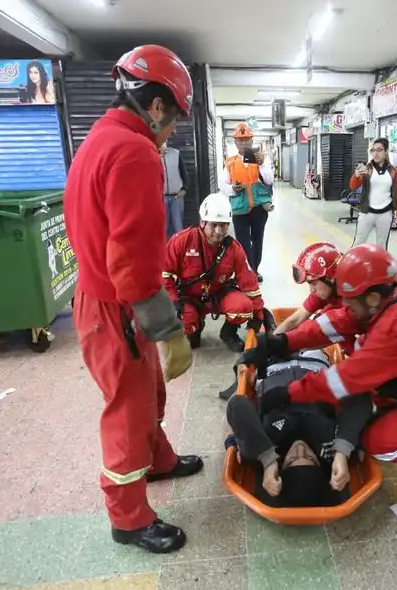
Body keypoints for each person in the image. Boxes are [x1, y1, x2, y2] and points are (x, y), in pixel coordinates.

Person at [63, 45, 202, 555]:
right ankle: (129, 518)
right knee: (127, 409)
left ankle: (160, 459)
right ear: (158, 106)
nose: (170, 135)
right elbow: (133, 262)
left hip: (106, 301)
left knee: (148, 395)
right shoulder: (134, 152)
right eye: (175, 121)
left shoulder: (99, 138)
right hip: (116, 306)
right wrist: (170, 332)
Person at [250, 244, 397, 483]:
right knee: (369, 406)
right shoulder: (387, 301)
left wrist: (288, 394)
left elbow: (346, 378)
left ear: (372, 296)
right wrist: (281, 342)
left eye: (348, 300)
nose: (345, 305)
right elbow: (336, 323)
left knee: (374, 442)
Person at [225, 348, 373, 506]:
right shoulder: (331, 449)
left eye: (292, 459)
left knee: (276, 336)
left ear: (281, 468)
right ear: (321, 463)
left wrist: (268, 460)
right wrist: (343, 451)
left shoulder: (262, 450)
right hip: (315, 365)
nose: (300, 449)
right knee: (303, 330)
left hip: (275, 364)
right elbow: (361, 396)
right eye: (310, 458)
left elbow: (237, 405)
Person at [163, 192, 273, 353]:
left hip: (218, 294)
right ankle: (195, 326)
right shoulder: (181, 241)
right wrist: (172, 301)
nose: (219, 231)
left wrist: (258, 314)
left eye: (223, 225)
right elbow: (165, 274)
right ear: (202, 222)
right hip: (189, 297)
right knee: (189, 336)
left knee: (244, 306)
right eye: (213, 225)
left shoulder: (234, 249)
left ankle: (228, 332)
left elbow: (250, 283)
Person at [220, 123, 274, 282]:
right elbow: (222, 184)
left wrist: (262, 163)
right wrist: (232, 189)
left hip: (259, 209)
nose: (243, 143)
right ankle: (246, 271)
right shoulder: (230, 162)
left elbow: (269, 179)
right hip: (239, 210)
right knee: (243, 243)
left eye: (246, 140)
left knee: (258, 241)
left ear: (251, 141)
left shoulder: (261, 158)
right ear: (235, 142)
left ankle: (254, 270)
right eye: (240, 140)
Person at [274, 242, 345, 337]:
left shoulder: (353, 303)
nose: (312, 290)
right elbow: (295, 319)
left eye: (314, 284)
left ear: (331, 277)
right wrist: (272, 341)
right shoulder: (325, 290)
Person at [349, 138, 397, 249]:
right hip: (366, 211)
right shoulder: (366, 168)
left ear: (386, 151)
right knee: (358, 243)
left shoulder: (393, 171)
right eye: (373, 150)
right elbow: (353, 186)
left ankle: (380, 266)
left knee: (381, 245)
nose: (375, 153)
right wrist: (356, 176)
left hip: (386, 213)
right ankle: (352, 265)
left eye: (379, 150)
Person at [161, 143, 188, 238]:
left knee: (178, 227)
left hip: (177, 197)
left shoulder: (176, 153)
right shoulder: (152, 155)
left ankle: (179, 251)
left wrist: (184, 189)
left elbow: (184, 173)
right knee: (163, 228)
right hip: (161, 198)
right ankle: (165, 251)